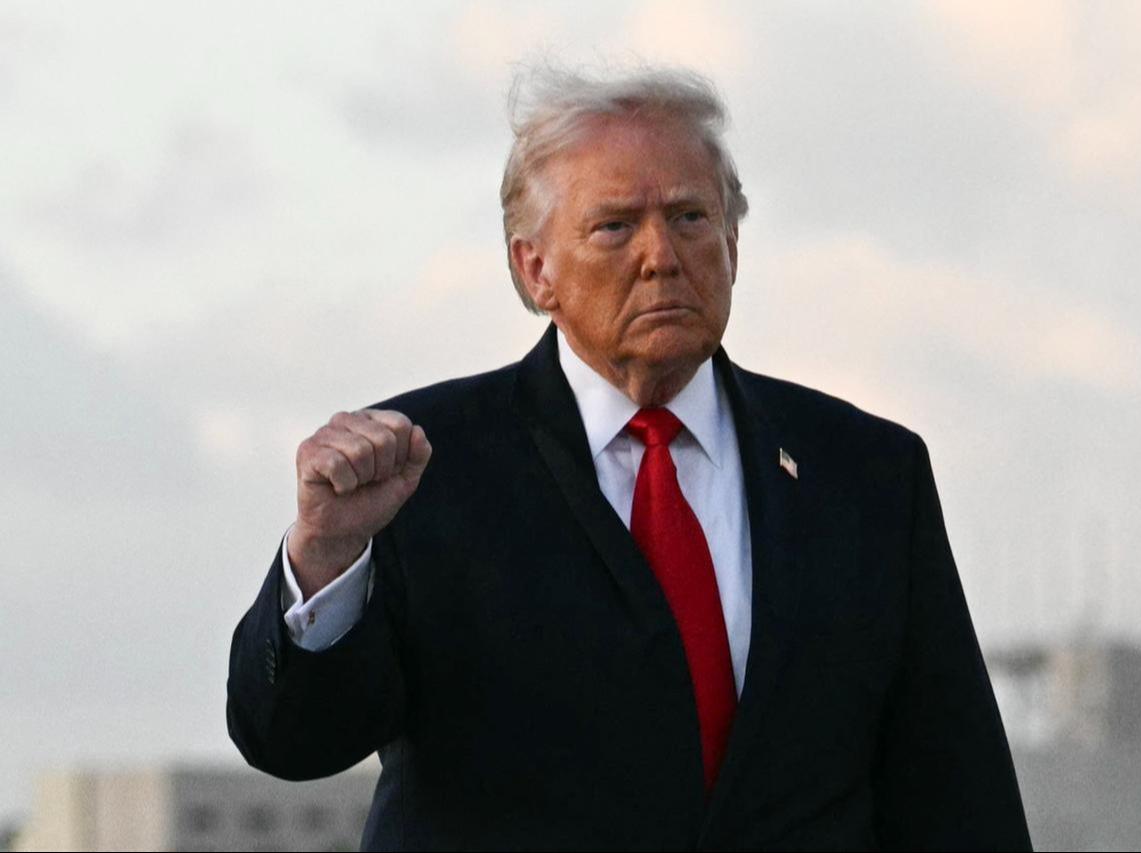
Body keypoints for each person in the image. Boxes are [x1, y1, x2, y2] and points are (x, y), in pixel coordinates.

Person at [227, 65, 1032, 851]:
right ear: (534, 268)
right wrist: (327, 556)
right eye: (615, 226)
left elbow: (956, 796)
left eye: (689, 217)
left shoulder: (866, 474)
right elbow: (294, 742)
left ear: (734, 242)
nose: (661, 255)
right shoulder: (419, 466)